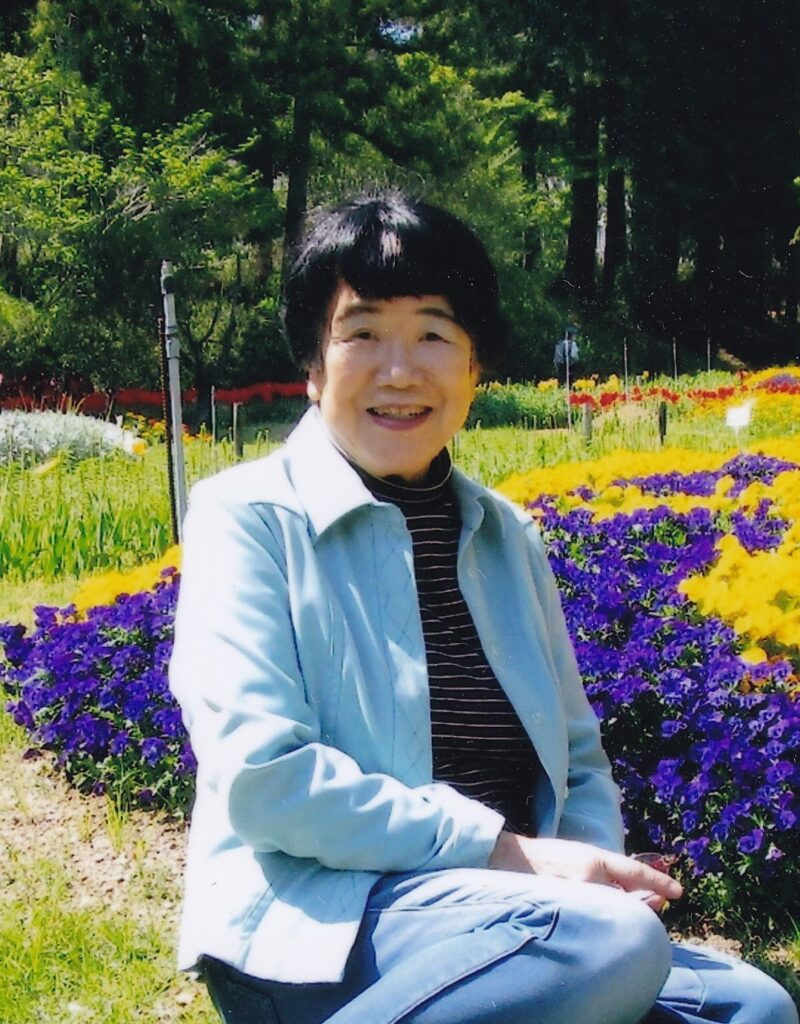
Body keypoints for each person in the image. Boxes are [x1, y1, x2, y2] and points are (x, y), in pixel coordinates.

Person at [169, 192, 796, 1024]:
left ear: (475, 368)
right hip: (326, 925)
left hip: (518, 921)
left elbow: (577, 760)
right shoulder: (248, 517)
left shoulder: (506, 536)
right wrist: (511, 858)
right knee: (611, 943)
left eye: (433, 333)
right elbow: (265, 778)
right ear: (313, 365)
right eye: (362, 333)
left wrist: (586, 870)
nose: (400, 371)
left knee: (751, 1006)